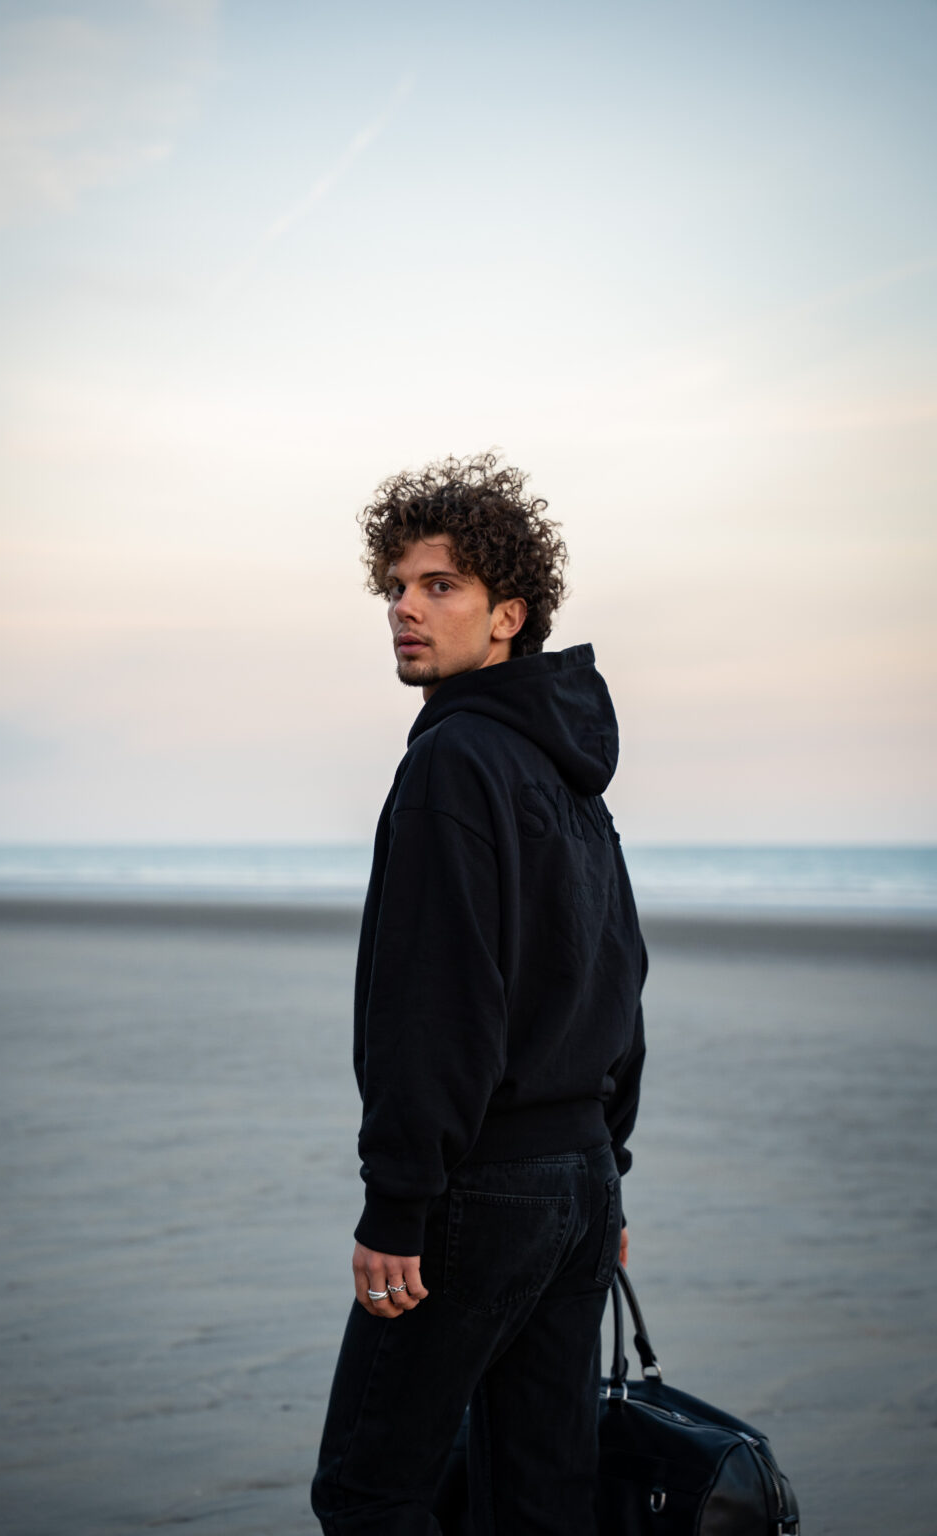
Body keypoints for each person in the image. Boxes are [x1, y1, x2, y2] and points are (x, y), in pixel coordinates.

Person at [312, 452, 647, 1535]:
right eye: (396, 588)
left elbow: (436, 1004)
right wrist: (608, 1178)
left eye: (438, 586)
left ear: (508, 614)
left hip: (485, 1187)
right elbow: (618, 976)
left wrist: (395, 1204)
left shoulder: (456, 761)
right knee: (539, 1494)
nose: (404, 610)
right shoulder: (565, 773)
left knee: (370, 1490)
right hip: (578, 1185)